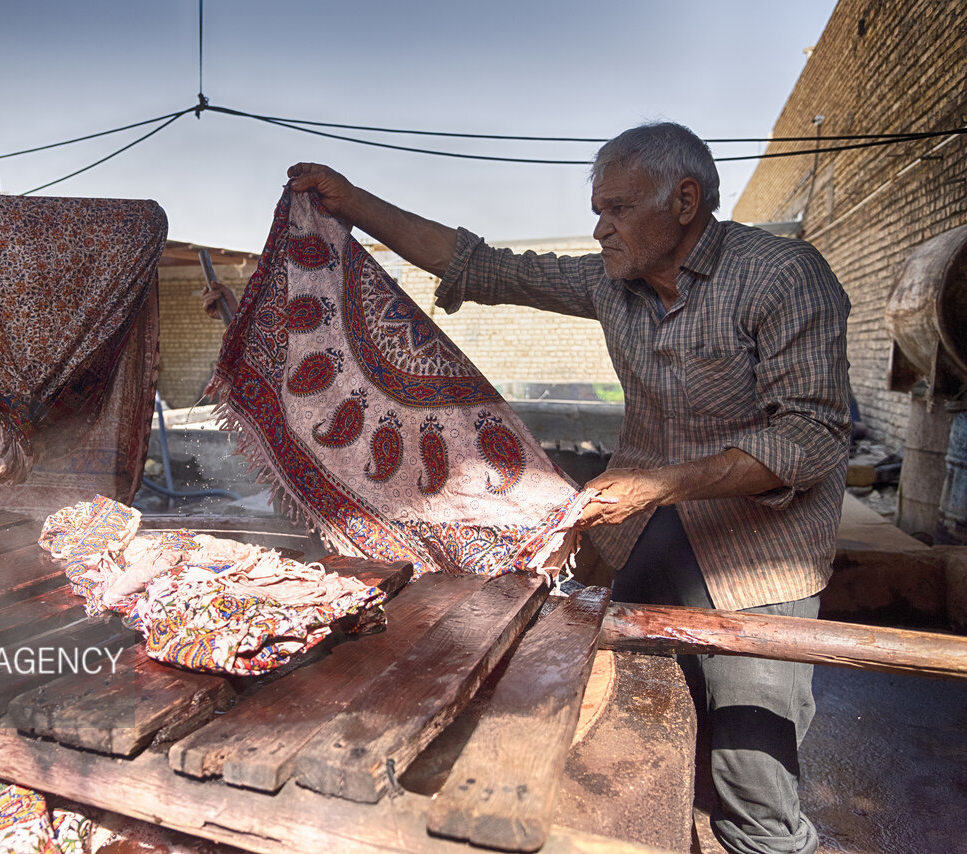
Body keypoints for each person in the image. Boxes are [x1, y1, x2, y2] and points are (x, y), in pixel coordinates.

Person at [286, 122, 850, 854]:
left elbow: (811, 437)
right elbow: (478, 267)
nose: (598, 226)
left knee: (753, 784)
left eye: (615, 208)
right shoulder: (613, 281)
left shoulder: (780, 276)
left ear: (685, 201)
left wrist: (661, 482)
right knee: (639, 721)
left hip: (760, 554)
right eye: (597, 208)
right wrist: (353, 202)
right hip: (648, 535)